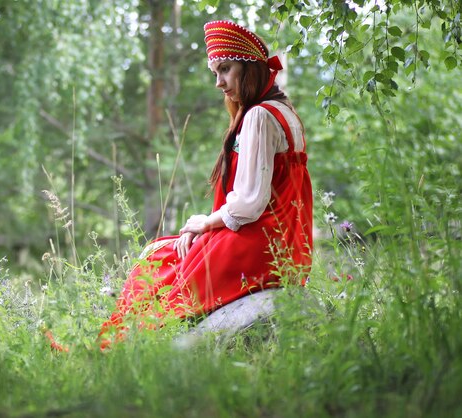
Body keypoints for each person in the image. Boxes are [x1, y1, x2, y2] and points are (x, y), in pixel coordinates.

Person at [44, 20, 314, 351]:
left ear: (249, 67)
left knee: (160, 263)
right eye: (215, 73)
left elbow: (249, 203)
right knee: (165, 249)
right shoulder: (285, 112)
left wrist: (204, 223)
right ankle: (110, 346)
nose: (219, 83)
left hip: (261, 246)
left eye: (225, 70)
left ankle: (110, 349)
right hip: (285, 245)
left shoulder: (259, 116)